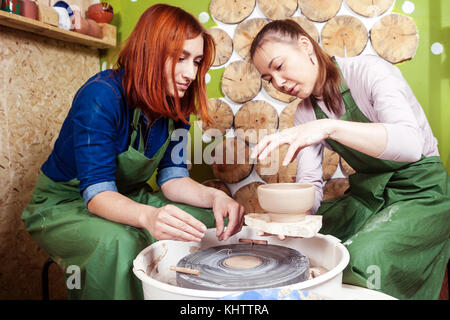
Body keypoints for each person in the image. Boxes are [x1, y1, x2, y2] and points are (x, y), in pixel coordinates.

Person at [22, 4, 245, 300]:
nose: (190, 73)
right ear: (150, 51)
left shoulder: (177, 103)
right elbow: (98, 194)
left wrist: (217, 197)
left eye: (197, 61)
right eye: (181, 58)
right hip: (65, 204)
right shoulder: (101, 95)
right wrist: (150, 217)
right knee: (120, 241)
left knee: (206, 223)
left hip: (127, 195)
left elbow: (173, 179)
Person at [249, 19, 449, 300]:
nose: (278, 83)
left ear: (305, 46)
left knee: (361, 257)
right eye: (269, 79)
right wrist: (296, 222)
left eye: (279, 66)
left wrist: (330, 127)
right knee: (307, 243)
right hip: (370, 193)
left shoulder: (370, 72)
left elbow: (410, 145)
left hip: (423, 193)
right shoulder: (306, 113)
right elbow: (310, 182)